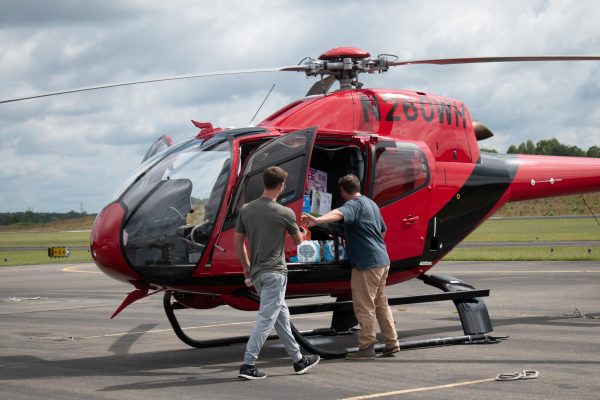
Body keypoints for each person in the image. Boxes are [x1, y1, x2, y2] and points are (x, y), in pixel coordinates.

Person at [234, 166, 320, 380]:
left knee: (281, 317)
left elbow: (238, 241)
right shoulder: (285, 212)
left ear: (265, 183)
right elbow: (299, 242)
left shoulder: (246, 209)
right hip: (275, 273)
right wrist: (304, 231)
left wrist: (246, 266)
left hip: (257, 273)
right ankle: (248, 364)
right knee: (266, 319)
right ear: (281, 186)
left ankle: (298, 360)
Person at [302, 174, 400, 359]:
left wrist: (317, 220)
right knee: (381, 304)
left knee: (364, 306)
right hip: (382, 260)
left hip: (366, 263)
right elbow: (383, 229)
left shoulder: (353, 205)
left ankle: (366, 347)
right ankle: (392, 342)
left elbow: (338, 214)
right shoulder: (371, 204)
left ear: (343, 190)